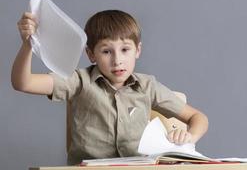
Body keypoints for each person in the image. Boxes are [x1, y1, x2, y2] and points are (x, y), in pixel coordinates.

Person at [11, 10, 208, 164]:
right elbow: (23, 83)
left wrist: (189, 136)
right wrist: (28, 44)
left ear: (137, 50)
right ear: (91, 54)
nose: (117, 60)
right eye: (106, 51)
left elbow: (198, 118)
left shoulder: (148, 86)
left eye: (125, 50)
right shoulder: (79, 81)